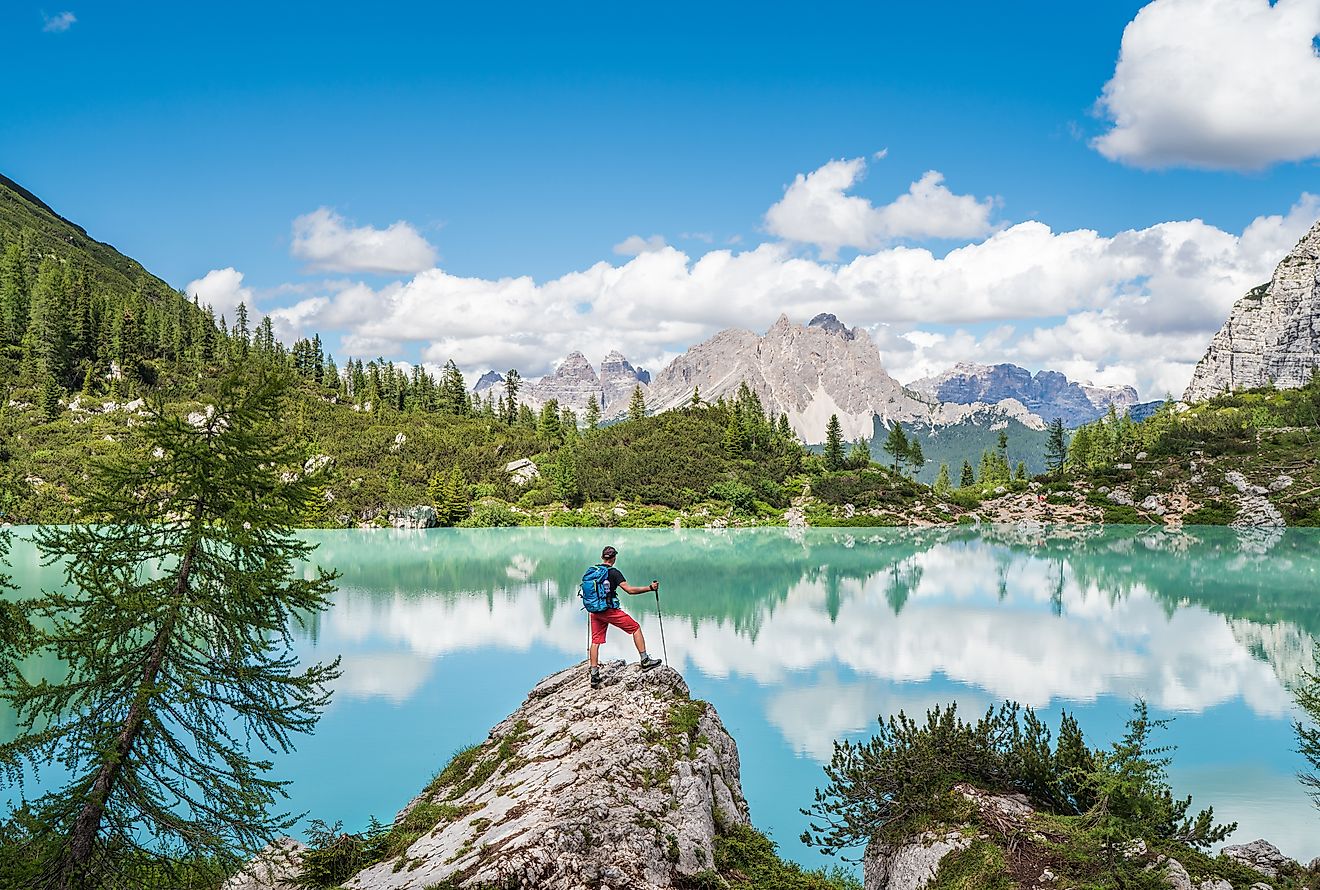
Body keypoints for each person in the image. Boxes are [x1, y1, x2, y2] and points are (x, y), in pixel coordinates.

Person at [589, 545, 661, 688]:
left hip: (595, 611)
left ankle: (594, 675)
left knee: (595, 641)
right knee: (635, 628)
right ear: (614, 558)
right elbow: (630, 590)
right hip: (609, 611)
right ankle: (645, 660)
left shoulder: (593, 571)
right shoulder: (614, 573)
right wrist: (650, 588)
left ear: (602, 557)